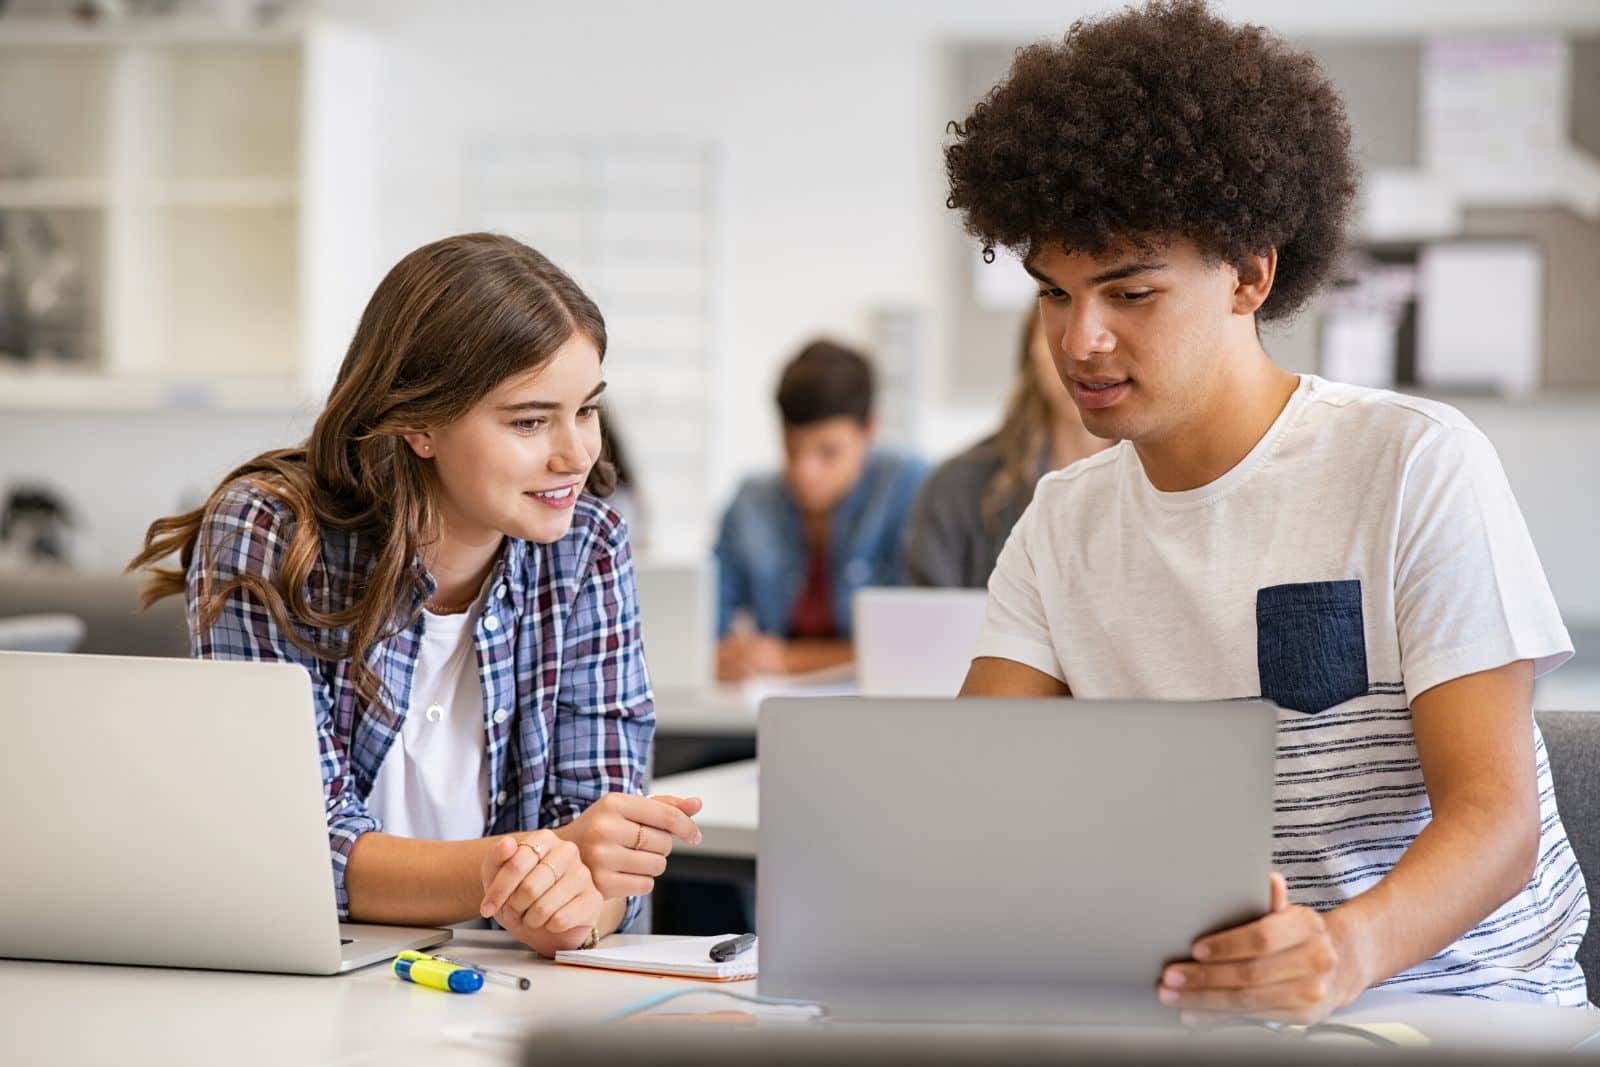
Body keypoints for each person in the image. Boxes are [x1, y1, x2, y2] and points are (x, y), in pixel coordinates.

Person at [946, 0, 1588, 1019]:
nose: (1080, 341)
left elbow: (1495, 823)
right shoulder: (1062, 522)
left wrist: (1342, 950)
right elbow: (963, 802)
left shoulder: (1413, 463)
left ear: (1250, 273)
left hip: (1456, 1003)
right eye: (1054, 295)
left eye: (1130, 294)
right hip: (1201, 1008)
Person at [130, 233, 702, 955]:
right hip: (312, 971)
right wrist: (525, 863)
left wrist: (578, 910)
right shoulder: (271, 532)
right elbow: (299, 843)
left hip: (508, 981)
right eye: (530, 420)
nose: (577, 453)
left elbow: (605, 852)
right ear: (419, 423)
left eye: (586, 410)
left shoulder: (588, 549)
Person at [713, 339, 927, 682]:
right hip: (769, 708)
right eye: (791, 448)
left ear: (870, 431)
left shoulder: (912, 489)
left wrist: (786, 660)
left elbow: (918, 647)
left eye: (827, 452)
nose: (804, 471)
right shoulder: (751, 502)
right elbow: (706, 633)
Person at [903, 305, 1111, 588]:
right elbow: (930, 622)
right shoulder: (955, 488)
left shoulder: (1172, 483)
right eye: (1061, 327)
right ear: (1032, 345)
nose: (1081, 353)